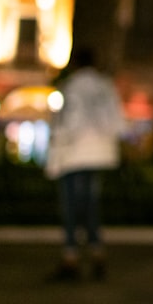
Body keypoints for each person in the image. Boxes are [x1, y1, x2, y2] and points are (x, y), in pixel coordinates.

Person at [45, 47, 126, 281]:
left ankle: (71, 255)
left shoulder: (72, 87)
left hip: (73, 156)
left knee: (72, 205)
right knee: (90, 204)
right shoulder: (105, 87)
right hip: (99, 154)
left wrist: (55, 153)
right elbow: (117, 122)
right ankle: (97, 251)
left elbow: (69, 122)